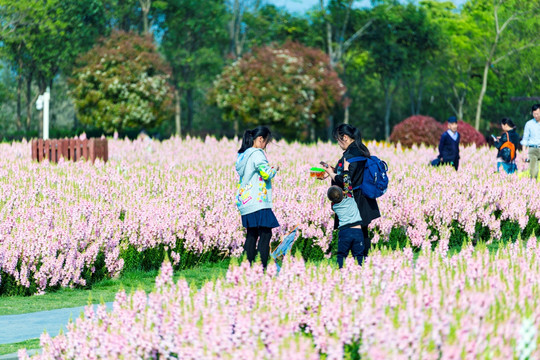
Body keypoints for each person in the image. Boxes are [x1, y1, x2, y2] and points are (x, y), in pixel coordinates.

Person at [326, 124, 380, 264]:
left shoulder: (349, 156)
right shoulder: (361, 150)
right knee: (363, 232)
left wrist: (331, 173)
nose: (338, 144)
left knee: (350, 233)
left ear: (345, 137)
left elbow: (345, 180)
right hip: (365, 198)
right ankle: (364, 262)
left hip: (353, 200)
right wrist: (333, 171)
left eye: (338, 140)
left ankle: (350, 263)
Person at [235, 126, 279, 268]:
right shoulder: (257, 153)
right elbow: (266, 173)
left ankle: (247, 267)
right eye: (266, 142)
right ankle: (262, 267)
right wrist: (275, 169)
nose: (265, 145)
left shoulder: (243, 155)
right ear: (260, 139)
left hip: (245, 201)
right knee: (266, 234)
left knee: (252, 234)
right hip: (258, 201)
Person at [324, 159, 364, 268]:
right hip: (357, 231)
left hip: (344, 232)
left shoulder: (334, 206)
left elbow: (336, 195)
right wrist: (346, 168)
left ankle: (340, 270)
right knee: (359, 255)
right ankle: (360, 271)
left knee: (341, 255)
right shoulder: (349, 197)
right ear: (343, 192)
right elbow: (347, 181)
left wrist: (330, 172)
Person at [521, 104, 540, 179]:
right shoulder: (529, 124)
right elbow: (525, 139)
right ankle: (533, 187)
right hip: (533, 149)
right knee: (533, 171)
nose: (536, 116)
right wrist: (523, 153)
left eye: (538, 114)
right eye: (534, 114)